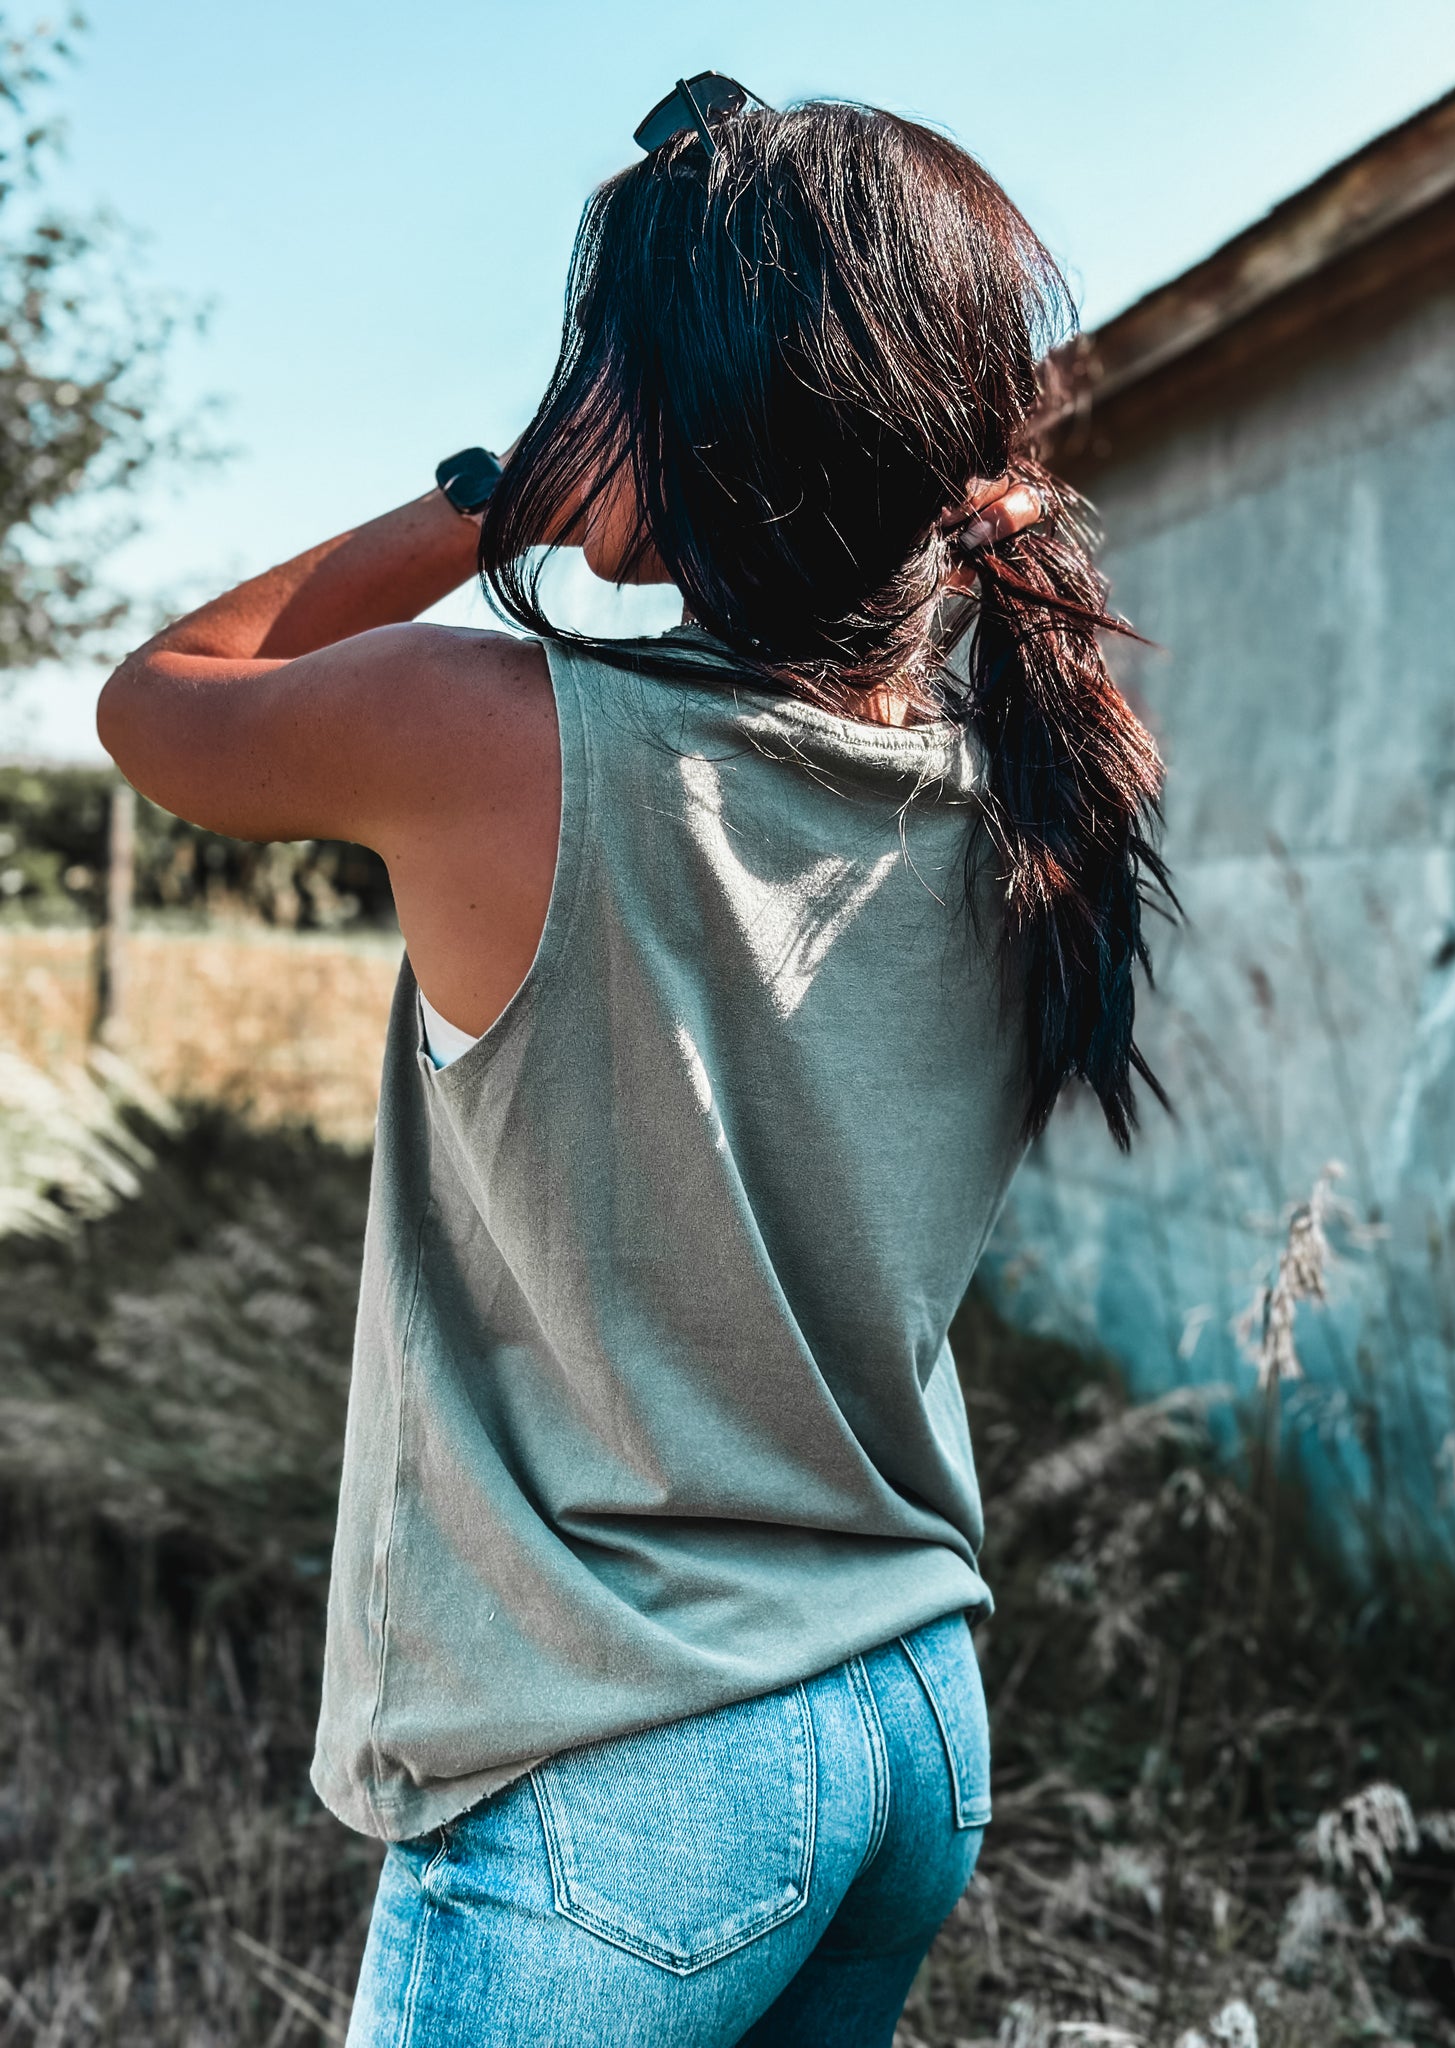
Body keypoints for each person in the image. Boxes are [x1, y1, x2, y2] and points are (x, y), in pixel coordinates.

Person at [97, 73, 1168, 2048]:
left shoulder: (494, 728)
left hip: (625, 1770)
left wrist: (492, 481)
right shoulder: (1025, 803)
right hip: (909, 1706)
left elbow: (163, 706)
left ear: (663, 426)